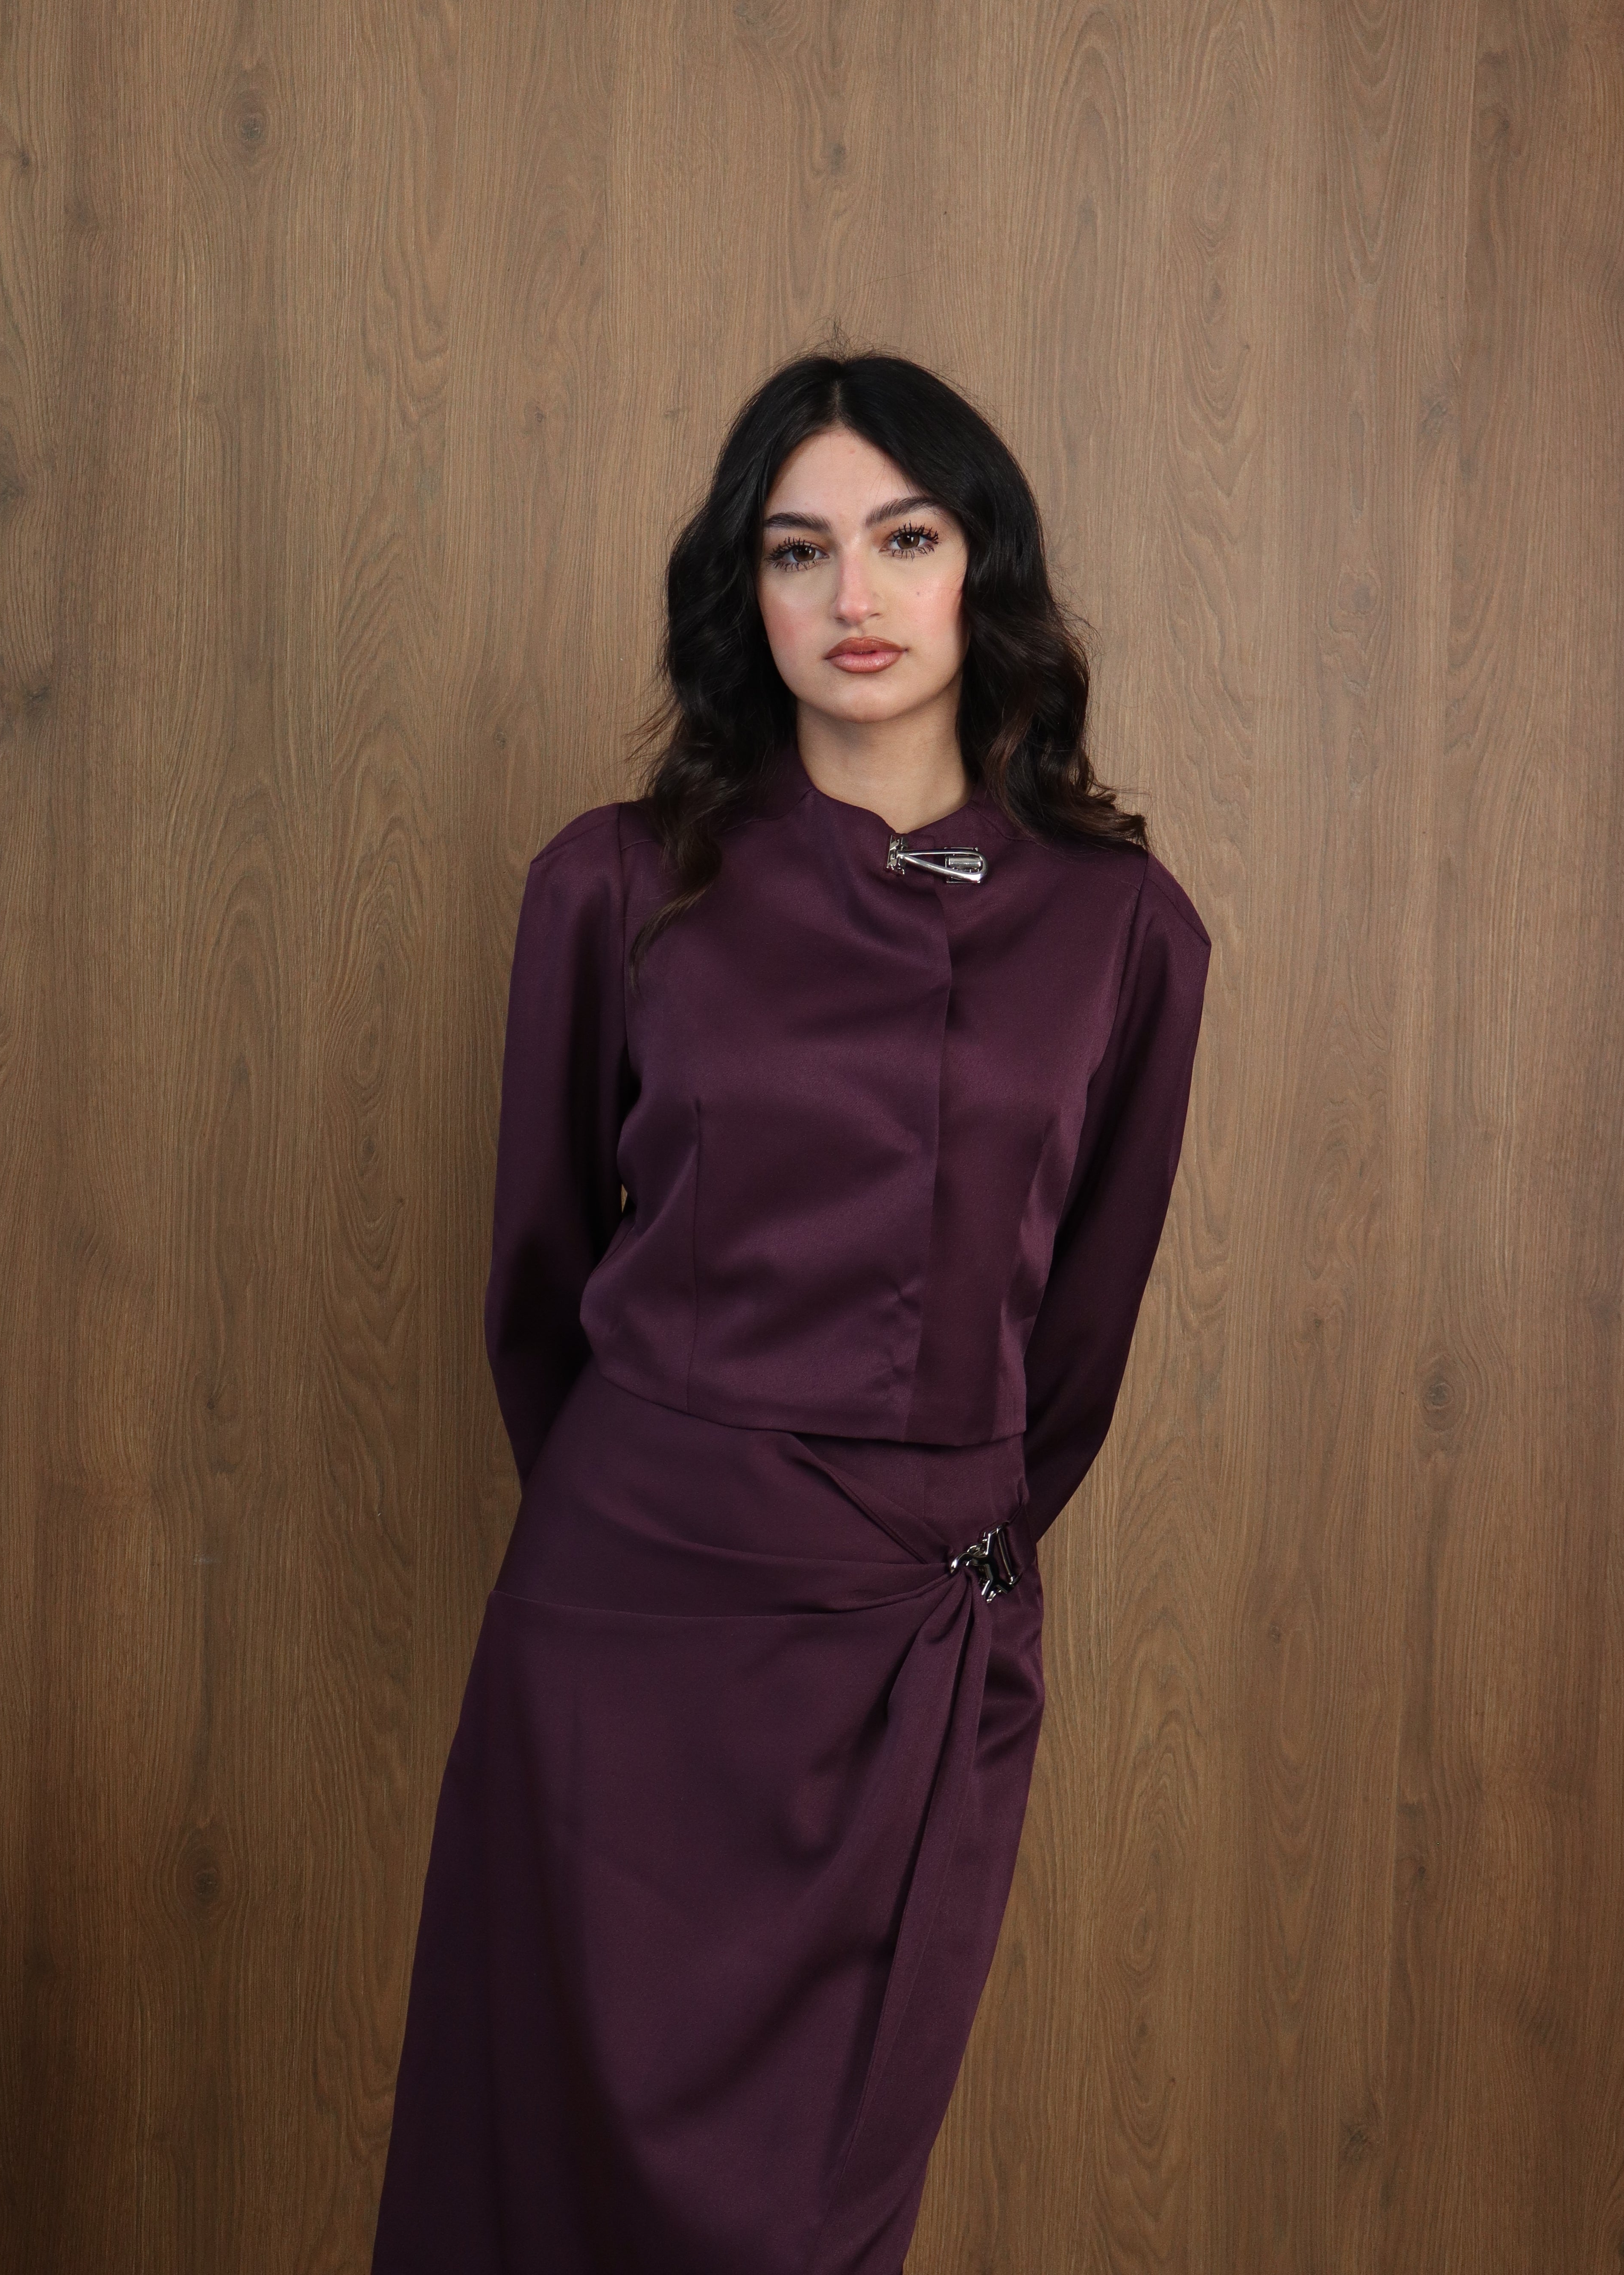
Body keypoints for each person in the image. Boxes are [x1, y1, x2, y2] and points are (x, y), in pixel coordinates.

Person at [371, 353, 1211, 2275]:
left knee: (809, 2212)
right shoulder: (611, 884)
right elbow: (535, 1281)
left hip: (914, 1634)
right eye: (798, 549)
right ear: (742, 592)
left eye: (904, 539)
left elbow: (1079, 1336)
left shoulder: (1126, 930)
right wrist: (672, 1503)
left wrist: (928, 1523)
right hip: (624, 1625)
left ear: (982, 569)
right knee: (534, 2182)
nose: (854, 596)